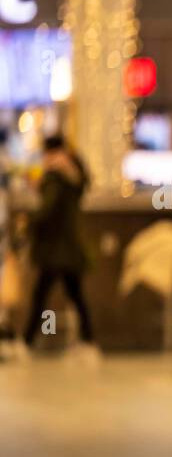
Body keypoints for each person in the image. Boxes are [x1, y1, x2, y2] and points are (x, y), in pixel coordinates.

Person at [20, 135, 98, 362]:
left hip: (55, 249)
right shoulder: (73, 173)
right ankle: (88, 342)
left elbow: (47, 211)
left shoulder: (54, 176)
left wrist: (28, 221)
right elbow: (84, 184)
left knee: (42, 296)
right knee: (74, 295)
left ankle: (28, 341)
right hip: (71, 247)